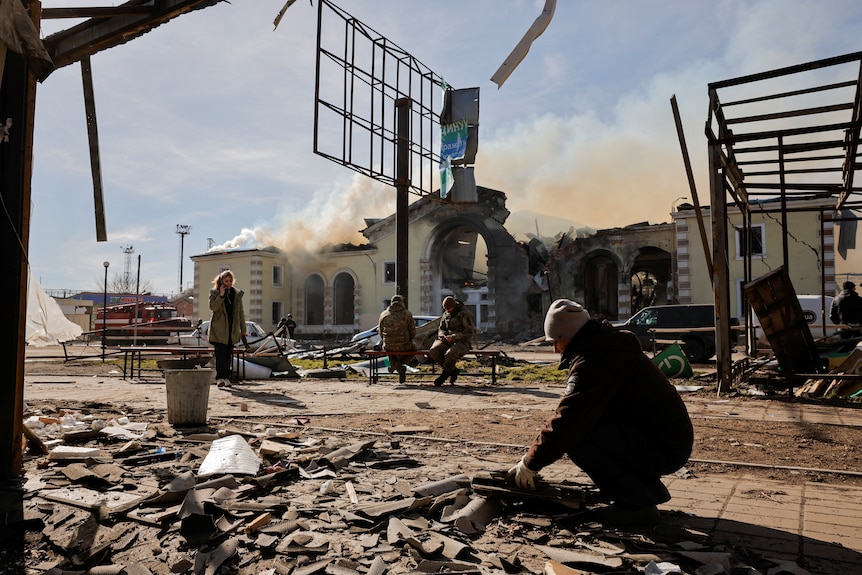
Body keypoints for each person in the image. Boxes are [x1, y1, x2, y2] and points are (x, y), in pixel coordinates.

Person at [507, 299, 694, 525]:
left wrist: (530, 463)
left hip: (663, 447)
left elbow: (569, 419)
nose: (555, 349)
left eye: (556, 340)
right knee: (591, 426)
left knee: (577, 439)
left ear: (571, 334)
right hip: (664, 439)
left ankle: (637, 507)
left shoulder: (595, 359)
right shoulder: (606, 346)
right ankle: (647, 489)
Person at [208, 270, 249, 387]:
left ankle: (226, 378)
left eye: (230, 281)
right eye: (226, 281)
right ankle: (220, 378)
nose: (229, 283)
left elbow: (240, 312)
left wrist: (243, 329)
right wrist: (221, 295)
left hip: (232, 330)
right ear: (221, 281)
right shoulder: (214, 292)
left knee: (227, 356)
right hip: (219, 330)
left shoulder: (236, 294)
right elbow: (213, 307)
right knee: (220, 355)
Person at [427, 295, 476, 386]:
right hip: (446, 340)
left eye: (449, 308)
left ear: (454, 306)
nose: (447, 310)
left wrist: (454, 337)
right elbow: (441, 328)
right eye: (445, 309)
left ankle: (445, 374)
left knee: (450, 354)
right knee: (433, 351)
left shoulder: (464, 314)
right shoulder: (446, 314)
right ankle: (452, 370)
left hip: (462, 341)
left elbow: (469, 332)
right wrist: (441, 335)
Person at [378, 295, 416, 383]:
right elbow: (413, 332)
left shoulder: (384, 314)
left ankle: (395, 365)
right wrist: (409, 339)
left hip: (388, 345)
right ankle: (400, 365)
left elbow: (380, 331)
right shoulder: (407, 314)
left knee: (390, 351)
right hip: (404, 345)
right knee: (414, 349)